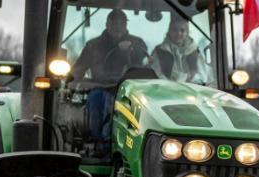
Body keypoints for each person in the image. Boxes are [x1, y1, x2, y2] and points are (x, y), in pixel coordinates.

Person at [72, 9, 147, 156]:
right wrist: (69, 79)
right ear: (107, 24)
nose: (118, 26)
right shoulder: (93, 46)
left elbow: (144, 64)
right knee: (96, 99)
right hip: (100, 87)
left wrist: (130, 52)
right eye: (114, 23)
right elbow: (77, 70)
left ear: (126, 24)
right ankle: (98, 143)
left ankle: (134, 146)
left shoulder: (137, 43)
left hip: (130, 90)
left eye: (121, 23)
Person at [150, 16, 212, 84]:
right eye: (174, 30)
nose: (178, 33)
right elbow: (154, 74)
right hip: (165, 90)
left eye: (182, 30)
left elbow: (202, 76)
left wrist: (192, 79)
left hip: (192, 91)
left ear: (187, 33)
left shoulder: (195, 51)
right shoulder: (159, 51)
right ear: (169, 31)